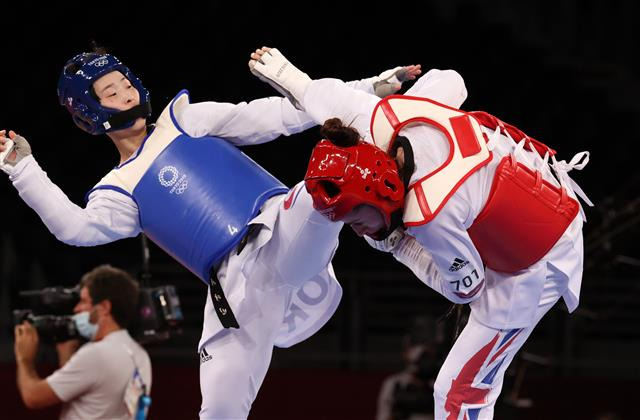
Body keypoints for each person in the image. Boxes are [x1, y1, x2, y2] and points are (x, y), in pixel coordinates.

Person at [0, 48, 421, 419]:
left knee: (332, 174)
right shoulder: (119, 190)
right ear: (90, 116)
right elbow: (73, 228)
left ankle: (412, 238)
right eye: (110, 93)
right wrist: (24, 170)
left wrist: (368, 89)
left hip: (279, 227)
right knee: (218, 410)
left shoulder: (185, 120)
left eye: (125, 83)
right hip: (236, 289)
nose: (126, 94)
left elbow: (277, 115)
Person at [249, 47, 593, 419]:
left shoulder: (429, 213)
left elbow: (467, 288)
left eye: (356, 219)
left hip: (536, 259)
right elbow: (451, 81)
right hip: (534, 186)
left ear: (384, 193)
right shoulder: (379, 120)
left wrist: (399, 246)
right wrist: (284, 72)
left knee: (459, 393)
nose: (358, 231)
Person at [14, 264, 151, 420]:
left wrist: (24, 358)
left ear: (104, 307)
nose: (77, 309)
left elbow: (33, 397)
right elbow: (89, 393)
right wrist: (66, 354)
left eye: (84, 301)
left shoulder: (97, 354)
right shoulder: (140, 355)